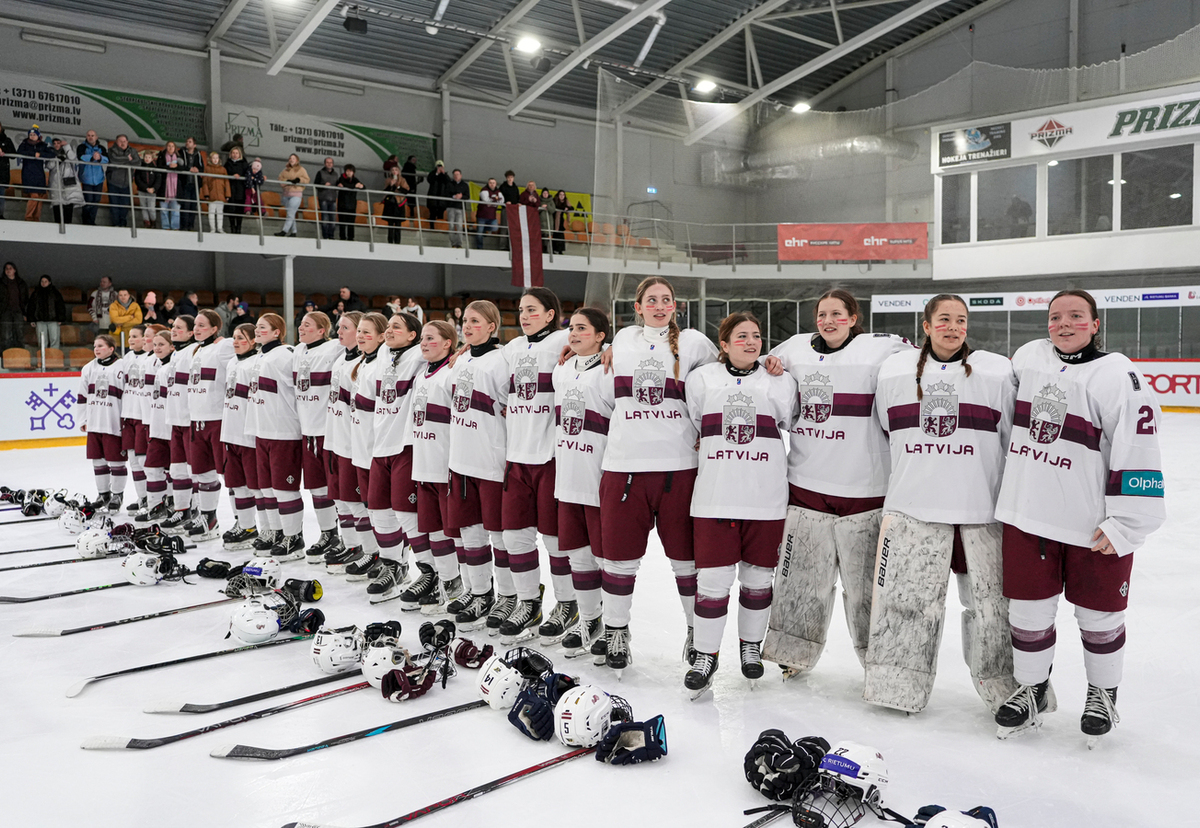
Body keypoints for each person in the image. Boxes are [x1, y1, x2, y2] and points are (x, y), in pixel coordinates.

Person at [992, 290, 1165, 744]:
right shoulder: (1029, 358)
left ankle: (1103, 694)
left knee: (1099, 614)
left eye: (1075, 316)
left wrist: (1126, 523)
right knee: (1027, 612)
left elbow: (1140, 447)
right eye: (1055, 317)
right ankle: (1031, 688)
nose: (1063, 324)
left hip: (1093, 526)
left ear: (1095, 323)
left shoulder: (1116, 374)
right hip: (1028, 515)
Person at [867, 294, 1018, 715]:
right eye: (945, 319)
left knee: (991, 610)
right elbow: (885, 431)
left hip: (980, 512)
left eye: (961, 320)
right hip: (913, 510)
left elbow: (1011, 438)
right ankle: (897, 687)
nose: (954, 327)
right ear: (927, 325)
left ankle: (1006, 691)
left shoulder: (996, 372)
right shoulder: (894, 372)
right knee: (906, 605)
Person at [760, 289, 911, 676]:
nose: (828, 321)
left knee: (867, 591)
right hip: (808, 485)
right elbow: (755, 365)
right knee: (802, 581)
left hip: (866, 490)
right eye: (822, 314)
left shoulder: (882, 348)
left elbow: (924, 361)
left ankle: (880, 663)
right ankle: (792, 655)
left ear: (853, 317)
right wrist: (770, 363)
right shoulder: (795, 348)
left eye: (837, 314)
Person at [599, 276, 718, 673]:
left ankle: (697, 637)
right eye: (652, 299)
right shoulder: (622, 341)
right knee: (619, 561)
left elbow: (726, 379)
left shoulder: (696, 343)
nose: (660, 305)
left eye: (666, 299)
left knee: (687, 562)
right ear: (638, 306)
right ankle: (616, 631)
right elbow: (601, 392)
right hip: (624, 468)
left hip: (678, 469)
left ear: (675, 306)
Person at [684, 312, 798, 695]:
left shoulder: (780, 381)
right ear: (725, 344)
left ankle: (750, 646)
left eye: (757, 336)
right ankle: (705, 654)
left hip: (765, 499)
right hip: (716, 497)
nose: (751, 342)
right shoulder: (701, 380)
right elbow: (697, 423)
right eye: (742, 336)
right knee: (713, 581)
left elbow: (788, 421)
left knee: (757, 579)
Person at [494, 288, 571, 642]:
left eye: (531, 310)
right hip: (516, 458)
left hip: (551, 457)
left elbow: (599, 353)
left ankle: (568, 604)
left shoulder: (564, 340)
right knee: (514, 536)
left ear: (550, 314)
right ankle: (528, 603)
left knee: (556, 540)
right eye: (521, 310)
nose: (524, 316)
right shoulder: (511, 349)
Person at [550, 307, 613, 656]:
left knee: (605, 558)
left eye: (582, 329)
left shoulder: (610, 368)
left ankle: (615, 625)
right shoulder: (562, 368)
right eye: (571, 328)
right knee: (577, 555)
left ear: (602, 335)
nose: (573, 334)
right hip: (568, 474)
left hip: (599, 475)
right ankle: (590, 618)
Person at [444, 301, 510, 618]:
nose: (468, 326)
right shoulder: (459, 361)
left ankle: (510, 597)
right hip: (461, 461)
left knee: (500, 535)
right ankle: (481, 593)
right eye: (466, 321)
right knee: (470, 531)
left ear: (492, 326)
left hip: (492, 462)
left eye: (476, 321)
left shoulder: (502, 360)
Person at [363, 312, 425, 599]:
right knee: (377, 510)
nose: (388, 331)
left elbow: (448, 350)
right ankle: (394, 566)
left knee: (407, 513)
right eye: (387, 327)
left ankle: (430, 574)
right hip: (380, 445)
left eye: (396, 327)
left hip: (405, 444)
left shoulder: (418, 355)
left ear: (413, 335)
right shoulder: (385, 355)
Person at [401, 320, 461, 609]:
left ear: (448, 343)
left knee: (452, 531)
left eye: (430, 339)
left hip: (446, 464)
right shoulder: (421, 375)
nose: (423, 343)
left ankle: (458, 585)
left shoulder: (453, 373)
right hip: (423, 463)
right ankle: (444, 581)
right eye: (422, 339)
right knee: (433, 529)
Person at [248, 313, 304, 558]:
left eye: (263, 327)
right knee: (267, 488)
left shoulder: (286, 354)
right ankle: (276, 532)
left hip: (284, 431)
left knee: (284, 489)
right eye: (257, 328)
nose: (257, 331)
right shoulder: (260, 355)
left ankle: (294, 538)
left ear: (276, 332)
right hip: (262, 430)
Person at [293, 310, 343, 562]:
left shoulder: (334, 348)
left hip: (329, 432)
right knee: (317, 488)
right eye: (300, 324)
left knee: (338, 490)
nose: (301, 328)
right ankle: (328, 533)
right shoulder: (297, 352)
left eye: (307, 325)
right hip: (307, 432)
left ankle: (350, 540)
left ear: (322, 330)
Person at [183, 309, 236, 543]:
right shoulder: (197, 349)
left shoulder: (223, 346)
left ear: (215, 329)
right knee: (203, 473)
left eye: (202, 325)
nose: (196, 329)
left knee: (231, 475)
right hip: (197, 421)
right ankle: (209, 519)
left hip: (218, 421)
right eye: (195, 324)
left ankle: (243, 523)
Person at [322, 311, 367, 565]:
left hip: (352, 444)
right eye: (339, 327)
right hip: (334, 439)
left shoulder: (363, 364)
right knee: (339, 498)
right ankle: (350, 545)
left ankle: (365, 548)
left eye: (346, 327)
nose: (339, 331)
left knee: (354, 500)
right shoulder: (340, 358)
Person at [219, 323, 261, 550]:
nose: (235, 342)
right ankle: (246, 526)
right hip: (230, 432)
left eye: (241, 338)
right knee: (236, 484)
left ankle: (266, 529)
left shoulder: (257, 362)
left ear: (254, 341)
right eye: (234, 337)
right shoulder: (232, 362)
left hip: (249, 434)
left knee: (255, 485)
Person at [78, 334, 128, 509]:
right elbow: (82, 396)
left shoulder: (122, 367)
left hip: (113, 423)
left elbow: (128, 397)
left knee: (116, 462)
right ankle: (103, 494)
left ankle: (117, 495)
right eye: (95, 346)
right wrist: (83, 419)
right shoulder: (88, 368)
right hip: (94, 423)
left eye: (100, 346)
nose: (96, 349)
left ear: (111, 348)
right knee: (98, 461)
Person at [160, 315, 197, 534]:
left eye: (179, 328)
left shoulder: (193, 353)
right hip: (175, 420)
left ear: (191, 333)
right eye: (173, 327)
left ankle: (201, 513)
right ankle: (182, 509)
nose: (174, 330)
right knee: (177, 469)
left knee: (197, 471)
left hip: (190, 420)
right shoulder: (176, 354)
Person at [137, 328, 174, 523]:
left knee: (175, 471)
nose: (157, 348)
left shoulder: (174, 367)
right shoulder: (154, 365)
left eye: (162, 344)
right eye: (156, 344)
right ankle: (156, 506)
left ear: (172, 346)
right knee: (152, 468)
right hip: (156, 426)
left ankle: (178, 506)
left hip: (173, 428)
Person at [127, 324, 164, 518]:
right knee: (139, 461)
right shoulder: (143, 360)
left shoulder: (160, 362)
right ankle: (149, 500)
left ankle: (165, 503)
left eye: (148, 337)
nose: (145, 340)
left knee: (155, 464)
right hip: (140, 417)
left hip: (153, 420)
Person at [118, 325, 150, 513]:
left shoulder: (151, 359)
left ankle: (155, 498)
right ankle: (142, 497)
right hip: (128, 416)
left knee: (144, 459)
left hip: (142, 416)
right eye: (130, 336)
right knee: (133, 459)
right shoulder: (127, 359)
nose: (131, 340)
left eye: (135, 336)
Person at [46, 137, 84, 225]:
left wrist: (67, 147)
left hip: (68, 184)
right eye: (54, 143)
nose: (56, 145)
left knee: (68, 208)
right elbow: (49, 166)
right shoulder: (50, 153)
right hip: (56, 184)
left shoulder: (68, 152)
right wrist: (56, 160)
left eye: (58, 143)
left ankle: (68, 228)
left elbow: (73, 158)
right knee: (57, 208)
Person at [75, 130, 108, 226]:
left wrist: (100, 157)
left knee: (96, 200)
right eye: (88, 135)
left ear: (96, 137)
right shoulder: (82, 147)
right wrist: (93, 157)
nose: (90, 137)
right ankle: (86, 221)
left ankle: (92, 221)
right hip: (86, 178)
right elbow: (80, 156)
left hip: (99, 179)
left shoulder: (101, 148)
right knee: (88, 201)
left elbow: (107, 159)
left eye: (92, 135)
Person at [17, 126, 50, 222]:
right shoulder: (24, 144)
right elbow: (19, 152)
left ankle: (36, 218)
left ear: (38, 136)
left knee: (40, 197)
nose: (32, 136)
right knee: (34, 196)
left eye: (34, 134)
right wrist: (33, 154)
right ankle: (29, 217)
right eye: (30, 135)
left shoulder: (42, 145)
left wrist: (40, 154)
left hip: (39, 174)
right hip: (28, 173)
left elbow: (51, 154)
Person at [25, 274, 66, 350]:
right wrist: (31, 319)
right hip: (40, 320)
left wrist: (60, 318)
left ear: (49, 282)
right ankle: (43, 357)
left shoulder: (55, 293)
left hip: (53, 320)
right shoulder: (36, 293)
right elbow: (31, 307)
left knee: (54, 339)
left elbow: (60, 306)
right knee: (42, 340)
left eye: (45, 281)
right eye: (42, 281)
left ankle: (54, 356)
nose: (43, 283)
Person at [107, 134, 138, 228]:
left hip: (127, 183)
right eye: (120, 141)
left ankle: (123, 225)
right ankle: (116, 224)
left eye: (124, 141)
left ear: (127, 142)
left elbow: (137, 162)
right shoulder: (111, 150)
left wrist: (123, 161)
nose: (123, 143)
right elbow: (114, 161)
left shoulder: (133, 151)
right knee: (114, 207)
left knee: (125, 207)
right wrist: (128, 159)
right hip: (113, 183)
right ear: (116, 142)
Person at [277, 154, 309, 237]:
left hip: (296, 194)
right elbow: (280, 179)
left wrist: (299, 180)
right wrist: (287, 181)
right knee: (291, 213)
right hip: (286, 194)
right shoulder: (285, 170)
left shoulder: (301, 169)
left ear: (297, 160)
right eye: (290, 158)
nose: (291, 159)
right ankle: (294, 232)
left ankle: (284, 230)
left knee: (290, 213)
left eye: (293, 158)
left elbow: (307, 179)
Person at [178, 137, 204, 232]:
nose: (187, 143)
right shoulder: (181, 153)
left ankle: (191, 226)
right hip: (185, 183)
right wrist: (188, 169)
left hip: (195, 184)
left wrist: (197, 170)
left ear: (194, 145)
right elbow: (179, 165)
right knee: (185, 205)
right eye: (187, 141)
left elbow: (202, 168)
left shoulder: (198, 154)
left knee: (193, 205)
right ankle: (184, 226)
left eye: (190, 142)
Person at [155, 142, 183, 230]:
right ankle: (165, 227)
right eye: (169, 146)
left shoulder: (179, 158)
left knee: (176, 210)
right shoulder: (161, 156)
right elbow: (159, 167)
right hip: (164, 188)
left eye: (172, 146)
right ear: (166, 147)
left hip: (176, 189)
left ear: (175, 148)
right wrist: (169, 166)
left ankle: (175, 227)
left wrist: (176, 166)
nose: (171, 148)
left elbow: (183, 167)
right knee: (163, 210)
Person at [0, 261, 28, 350]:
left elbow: (24, 298)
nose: (8, 270)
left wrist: (24, 312)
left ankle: (21, 353)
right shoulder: (1, 283)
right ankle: (5, 355)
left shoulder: (21, 283)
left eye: (10, 268)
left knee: (19, 333)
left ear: (14, 270)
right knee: (6, 335)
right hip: (5, 311)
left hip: (18, 311)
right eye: (6, 269)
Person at [200, 152, 230, 234]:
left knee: (220, 212)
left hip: (221, 194)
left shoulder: (223, 169)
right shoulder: (207, 169)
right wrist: (206, 194)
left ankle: (220, 228)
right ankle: (212, 228)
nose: (215, 160)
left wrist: (227, 194)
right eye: (214, 158)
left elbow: (226, 182)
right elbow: (205, 182)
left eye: (217, 158)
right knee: (211, 212)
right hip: (211, 194)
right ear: (210, 159)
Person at [335, 163, 365, 241]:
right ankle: (342, 238)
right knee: (342, 223)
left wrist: (361, 186)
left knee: (351, 223)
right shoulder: (341, 178)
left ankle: (351, 238)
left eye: (351, 171)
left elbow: (363, 186)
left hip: (352, 205)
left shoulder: (355, 179)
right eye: (347, 171)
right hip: (342, 204)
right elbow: (344, 184)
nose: (349, 173)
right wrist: (355, 186)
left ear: (353, 172)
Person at [223, 146, 249, 235]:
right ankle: (232, 227)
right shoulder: (227, 164)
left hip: (240, 189)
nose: (235, 155)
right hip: (230, 188)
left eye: (236, 153)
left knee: (239, 209)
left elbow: (248, 174)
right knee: (231, 209)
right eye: (233, 153)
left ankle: (238, 228)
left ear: (240, 154)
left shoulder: (244, 164)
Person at [134, 149, 163, 229]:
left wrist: (153, 188)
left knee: (151, 208)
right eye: (145, 157)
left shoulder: (155, 169)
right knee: (144, 207)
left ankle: (153, 221)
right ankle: (146, 222)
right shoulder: (139, 168)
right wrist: (146, 188)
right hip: (142, 190)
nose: (147, 159)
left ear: (152, 158)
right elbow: (137, 179)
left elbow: (158, 180)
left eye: (149, 157)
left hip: (152, 192)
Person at [313, 157, 339, 240]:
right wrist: (323, 185)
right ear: (325, 164)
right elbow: (316, 185)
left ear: (333, 164)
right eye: (327, 162)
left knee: (332, 218)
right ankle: (325, 236)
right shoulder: (320, 173)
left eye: (331, 162)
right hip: (323, 198)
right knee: (324, 218)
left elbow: (337, 184)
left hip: (333, 198)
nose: (329, 164)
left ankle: (331, 235)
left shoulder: (336, 174)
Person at [381, 168, 407, 245]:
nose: (394, 171)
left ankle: (397, 242)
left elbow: (406, 191)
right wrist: (391, 185)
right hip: (390, 203)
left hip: (399, 204)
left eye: (396, 170)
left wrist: (398, 187)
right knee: (390, 224)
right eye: (393, 170)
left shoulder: (402, 180)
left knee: (398, 225)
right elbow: (385, 191)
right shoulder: (388, 180)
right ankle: (390, 241)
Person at [474, 177, 502, 249]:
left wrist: (493, 201)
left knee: (495, 227)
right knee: (479, 233)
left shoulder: (498, 191)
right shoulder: (484, 190)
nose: (492, 184)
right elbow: (486, 201)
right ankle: (479, 247)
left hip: (492, 216)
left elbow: (502, 201)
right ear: (488, 183)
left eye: (493, 183)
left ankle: (484, 230)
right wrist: (495, 200)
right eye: (490, 183)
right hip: (482, 216)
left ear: (496, 184)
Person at [446, 168, 470, 249]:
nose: (456, 176)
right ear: (453, 176)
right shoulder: (449, 184)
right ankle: (453, 243)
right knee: (451, 225)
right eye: (455, 174)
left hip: (460, 208)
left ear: (461, 175)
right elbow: (446, 194)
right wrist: (454, 196)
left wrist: (461, 196)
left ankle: (459, 244)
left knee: (459, 226)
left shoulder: (465, 185)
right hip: (451, 207)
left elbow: (467, 196)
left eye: (458, 174)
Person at [0, 120, 16, 219]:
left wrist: (4, 151)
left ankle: (0, 215)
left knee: (1, 195)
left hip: (2, 173)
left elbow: (14, 155)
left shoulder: (7, 140)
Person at [551, 189, 570, 254]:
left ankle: (560, 250)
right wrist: (564, 208)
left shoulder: (565, 201)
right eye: (560, 194)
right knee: (555, 234)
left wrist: (567, 208)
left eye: (563, 195)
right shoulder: (555, 200)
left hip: (561, 220)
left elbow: (571, 207)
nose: (562, 196)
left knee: (561, 234)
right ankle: (554, 249)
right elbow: (556, 207)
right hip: (554, 219)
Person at [401, 155, 419, 221]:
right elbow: (410, 179)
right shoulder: (410, 167)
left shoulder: (407, 167)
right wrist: (412, 187)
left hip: (408, 186)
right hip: (410, 187)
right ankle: (411, 214)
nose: (415, 161)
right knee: (411, 201)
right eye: (413, 160)